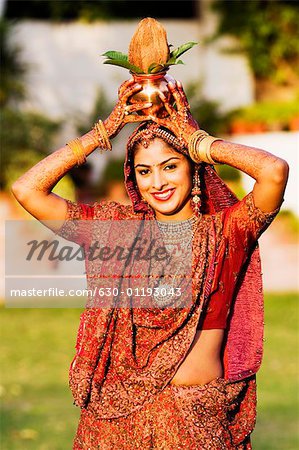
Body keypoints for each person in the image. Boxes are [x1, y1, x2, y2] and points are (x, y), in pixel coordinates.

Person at [12, 78, 288, 449]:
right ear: (134, 178)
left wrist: (198, 140)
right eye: (145, 171)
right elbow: (27, 190)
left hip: (196, 418)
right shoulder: (116, 231)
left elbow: (273, 171)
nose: (157, 181)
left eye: (170, 166)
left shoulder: (227, 232)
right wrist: (103, 132)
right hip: (116, 422)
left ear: (193, 169)